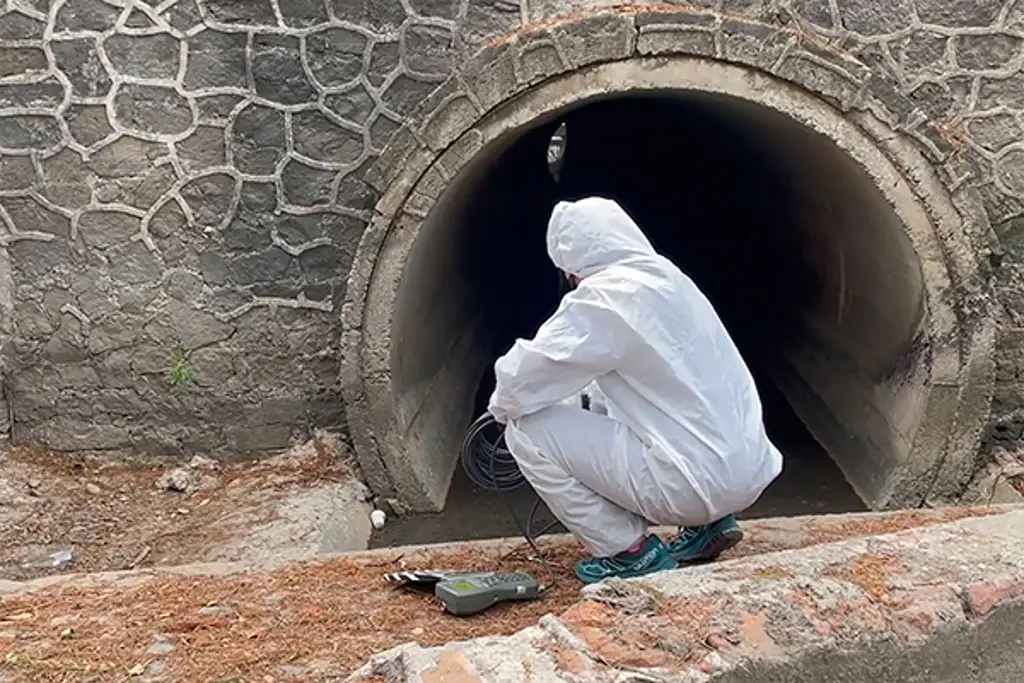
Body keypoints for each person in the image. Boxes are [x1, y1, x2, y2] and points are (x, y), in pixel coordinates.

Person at [486, 197, 784, 584]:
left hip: (693, 486)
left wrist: (500, 407)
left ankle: (628, 553)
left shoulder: (604, 297)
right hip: (748, 474)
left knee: (525, 429)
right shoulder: (670, 277)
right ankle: (710, 525)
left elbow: (525, 376)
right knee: (638, 398)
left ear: (574, 264)